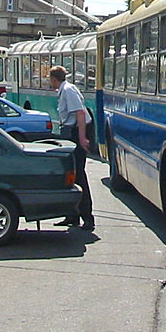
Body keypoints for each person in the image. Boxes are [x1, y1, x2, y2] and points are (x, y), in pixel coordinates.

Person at [52, 66, 94, 231]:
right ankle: (72, 215)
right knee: (70, 174)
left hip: (77, 132)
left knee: (78, 174)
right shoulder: (64, 89)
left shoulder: (68, 90)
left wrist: (82, 138)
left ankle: (87, 217)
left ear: (54, 79)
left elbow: (80, 114)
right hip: (70, 132)